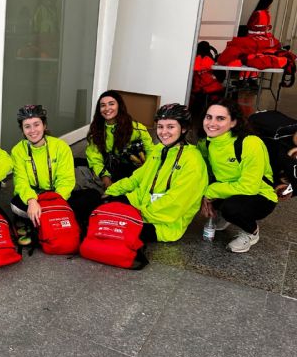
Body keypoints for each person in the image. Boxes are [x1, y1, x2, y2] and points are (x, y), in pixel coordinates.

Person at [103, 104, 208, 243]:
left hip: (164, 224)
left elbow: (174, 205)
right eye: (160, 126)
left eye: (170, 127)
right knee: (99, 209)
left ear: (183, 128)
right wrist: (112, 192)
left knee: (111, 232)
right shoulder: (159, 149)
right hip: (140, 205)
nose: (164, 132)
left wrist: (137, 214)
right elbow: (137, 178)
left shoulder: (193, 162)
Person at [198, 100, 277, 253]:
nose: (212, 123)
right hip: (228, 189)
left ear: (233, 122)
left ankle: (251, 232)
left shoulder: (250, 143)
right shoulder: (206, 143)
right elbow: (204, 172)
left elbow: (249, 187)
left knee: (231, 208)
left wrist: (211, 191)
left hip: (260, 195)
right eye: (209, 117)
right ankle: (224, 214)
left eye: (220, 118)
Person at [10, 104, 97, 232]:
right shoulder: (17, 151)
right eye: (27, 126)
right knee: (15, 203)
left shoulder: (61, 147)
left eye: (36, 124)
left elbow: (66, 180)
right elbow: (20, 182)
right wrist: (31, 201)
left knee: (93, 196)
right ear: (22, 130)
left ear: (44, 126)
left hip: (58, 196)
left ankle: (40, 219)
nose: (32, 130)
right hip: (35, 197)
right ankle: (59, 217)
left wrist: (55, 203)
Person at [85, 90, 154, 190]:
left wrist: (146, 173)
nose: (107, 108)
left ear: (119, 106)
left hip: (136, 171)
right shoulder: (96, 130)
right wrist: (106, 178)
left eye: (111, 104)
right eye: (103, 105)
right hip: (109, 170)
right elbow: (94, 158)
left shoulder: (136, 128)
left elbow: (151, 151)